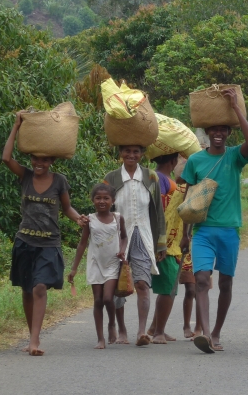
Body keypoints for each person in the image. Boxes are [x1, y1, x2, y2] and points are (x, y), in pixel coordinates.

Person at [2, 110, 88, 356]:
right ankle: (32, 337)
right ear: (31, 159)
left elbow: (67, 207)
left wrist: (78, 219)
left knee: (40, 287)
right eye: (35, 159)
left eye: (45, 160)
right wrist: (16, 126)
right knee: (27, 290)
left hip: (49, 243)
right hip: (24, 241)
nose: (39, 164)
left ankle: (35, 340)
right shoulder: (25, 176)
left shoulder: (59, 181)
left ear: (52, 161)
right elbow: (6, 158)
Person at [180, 88, 248, 353]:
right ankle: (205, 334)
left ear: (228, 133)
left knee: (225, 283)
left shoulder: (234, 156)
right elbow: (190, 202)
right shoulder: (195, 161)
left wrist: (236, 108)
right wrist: (185, 234)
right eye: (214, 130)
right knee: (201, 279)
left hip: (229, 231)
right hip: (203, 232)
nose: (219, 134)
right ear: (207, 133)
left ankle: (216, 332)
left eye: (223, 130)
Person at [103, 145, 167, 346]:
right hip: (117, 237)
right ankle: (121, 329)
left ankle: (141, 332)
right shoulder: (111, 178)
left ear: (142, 154)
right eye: (127, 151)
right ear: (120, 153)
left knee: (142, 283)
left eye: (136, 152)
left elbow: (158, 212)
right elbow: (105, 208)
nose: (131, 155)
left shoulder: (150, 177)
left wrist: (160, 243)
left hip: (143, 235)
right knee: (117, 285)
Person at [67, 183, 128, 349]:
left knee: (108, 298)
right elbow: (82, 244)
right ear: (93, 200)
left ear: (113, 200)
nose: (102, 201)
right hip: (95, 264)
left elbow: (124, 237)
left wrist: (122, 251)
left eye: (106, 198)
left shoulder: (118, 218)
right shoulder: (89, 220)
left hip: (113, 264)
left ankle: (112, 324)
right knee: (98, 300)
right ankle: (100, 338)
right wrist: (73, 269)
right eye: (98, 198)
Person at [147, 152, 183, 344]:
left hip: (172, 242)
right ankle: (158, 331)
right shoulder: (159, 179)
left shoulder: (165, 178)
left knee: (169, 287)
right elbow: (158, 209)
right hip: (164, 243)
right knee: (169, 288)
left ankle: (155, 327)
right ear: (173, 161)